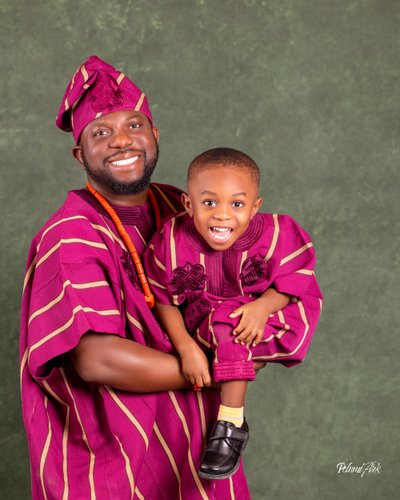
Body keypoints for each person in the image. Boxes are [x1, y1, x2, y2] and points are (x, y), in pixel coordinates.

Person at [20, 56, 256, 499]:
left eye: (134, 125)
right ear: (80, 154)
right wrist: (226, 369)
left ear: (154, 135)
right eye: (101, 133)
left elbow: (246, 282)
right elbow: (98, 360)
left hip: (198, 451)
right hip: (114, 465)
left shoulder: (183, 209)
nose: (122, 141)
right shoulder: (70, 236)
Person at [143, 147, 323, 480]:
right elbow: (162, 298)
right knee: (226, 321)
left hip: (270, 318)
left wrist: (261, 307)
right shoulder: (171, 240)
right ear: (188, 204)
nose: (222, 215)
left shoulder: (278, 233)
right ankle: (233, 418)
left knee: (232, 320)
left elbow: (293, 282)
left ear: (255, 206)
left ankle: (230, 421)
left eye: (237, 205)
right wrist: (186, 347)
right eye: (209, 203)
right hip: (207, 327)